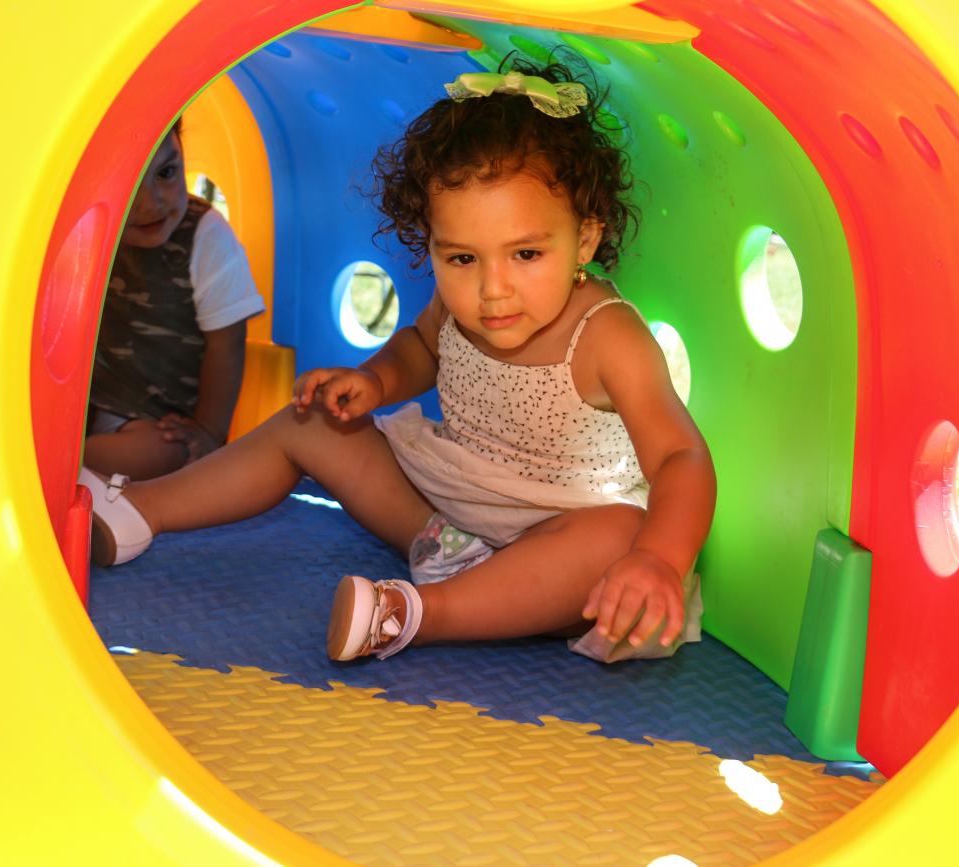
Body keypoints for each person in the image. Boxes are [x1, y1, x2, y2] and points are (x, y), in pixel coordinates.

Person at [81, 58, 716, 665]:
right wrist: (374, 380)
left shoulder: (606, 335)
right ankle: (141, 509)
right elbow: (421, 347)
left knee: (615, 535)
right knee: (312, 421)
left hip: (557, 543)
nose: (492, 289)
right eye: (462, 258)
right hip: (448, 520)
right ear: (432, 246)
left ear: (585, 238)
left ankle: (414, 615)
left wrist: (659, 559)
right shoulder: (459, 305)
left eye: (525, 255)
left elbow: (679, 457)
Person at [84, 117, 266, 480]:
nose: (151, 202)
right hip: (82, 406)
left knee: (165, 452)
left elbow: (227, 342)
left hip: (158, 423)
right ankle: (66, 461)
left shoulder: (206, 235)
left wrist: (208, 432)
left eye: (166, 172)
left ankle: (67, 465)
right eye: (128, 185)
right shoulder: (86, 227)